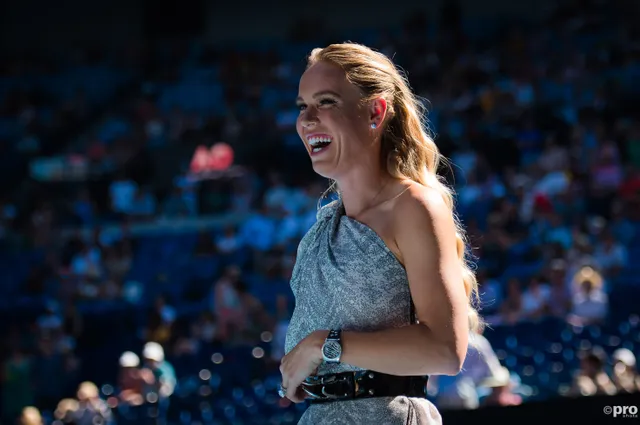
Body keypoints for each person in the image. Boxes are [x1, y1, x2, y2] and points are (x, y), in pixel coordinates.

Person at [279, 42, 480, 424]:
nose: (307, 119)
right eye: (302, 106)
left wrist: (322, 346)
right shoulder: (322, 226)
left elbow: (446, 350)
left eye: (326, 102)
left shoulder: (413, 206)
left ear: (375, 111)